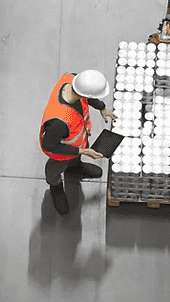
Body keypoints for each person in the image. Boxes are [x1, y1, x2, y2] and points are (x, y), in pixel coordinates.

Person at [39, 69, 115, 215]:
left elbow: (87, 96)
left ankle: (74, 167)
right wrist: (80, 151)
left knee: (74, 158)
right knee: (54, 170)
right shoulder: (58, 122)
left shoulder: (72, 78)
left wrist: (102, 107)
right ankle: (56, 187)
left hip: (77, 141)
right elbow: (49, 145)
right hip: (61, 153)